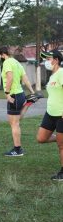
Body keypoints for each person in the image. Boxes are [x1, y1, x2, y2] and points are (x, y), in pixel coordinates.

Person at [0, 46, 35, 156]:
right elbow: (25, 78)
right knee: (16, 121)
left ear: (3, 54)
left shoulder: (7, 62)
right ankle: (28, 103)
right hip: (20, 94)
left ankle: (17, 149)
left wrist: (7, 93)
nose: (0, 58)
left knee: (14, 123)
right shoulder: (17, 63)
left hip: (13, 94)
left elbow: (10, 78)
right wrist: (32, 92)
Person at [37, 50, 63, 181]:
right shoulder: (52, 76)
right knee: (41, 138)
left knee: (61, 145)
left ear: (57, 60)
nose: (47, 61)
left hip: (61, 115)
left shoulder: (61, 73)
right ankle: (60, 138)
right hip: (50, 113)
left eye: (49, 58)